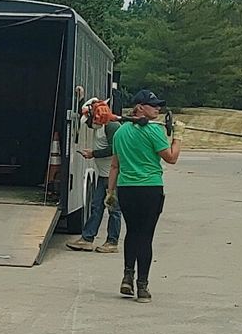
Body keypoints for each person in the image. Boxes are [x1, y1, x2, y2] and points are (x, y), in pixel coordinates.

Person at [108, 88, 180, 303]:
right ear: (139, 107)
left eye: (159, 105)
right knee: (145, 236)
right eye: (153, 105)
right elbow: (171, 158)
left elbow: (114, 166)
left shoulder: (120, 132)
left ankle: (127, 276)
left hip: (127, 189)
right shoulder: (154, 132)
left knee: (132, 233)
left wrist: (109, 192)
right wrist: (179, 137)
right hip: (150, 189)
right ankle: (143, 286)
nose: (158, 108)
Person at [67, 98, 122, 253]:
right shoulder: (99, 127)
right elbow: (85, 111)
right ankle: (87, 238)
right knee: (96, 207)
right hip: (103, 174)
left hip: (114, 176)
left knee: (113, 209)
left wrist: (94, 153)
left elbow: (114, 149)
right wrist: (82, 98)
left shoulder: (111, 127)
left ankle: (112, 242)